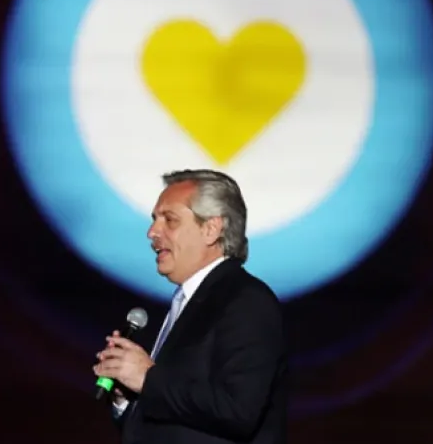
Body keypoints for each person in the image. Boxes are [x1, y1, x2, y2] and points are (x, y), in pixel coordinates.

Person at [93, 169, 288, 444]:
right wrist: (127, 397)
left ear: (211, 229)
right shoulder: (185, 302)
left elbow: (238, 410)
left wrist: (148, 379)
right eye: (154, 220)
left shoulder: (246, 301)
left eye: (169, 220)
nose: (152, 232)